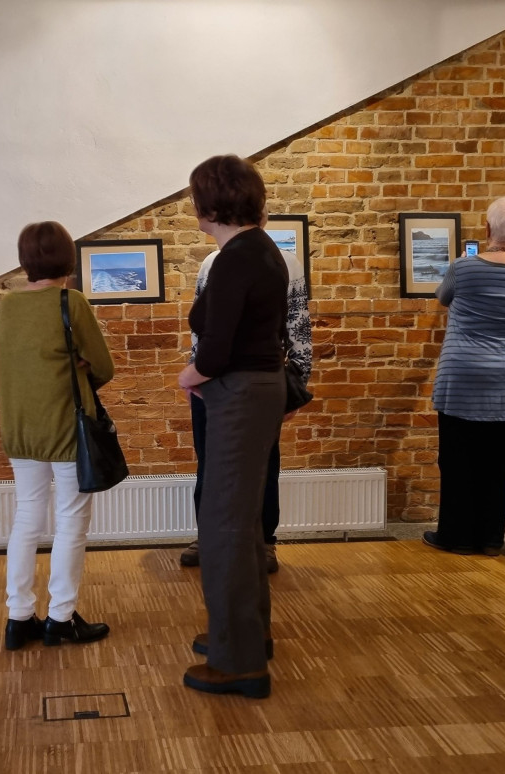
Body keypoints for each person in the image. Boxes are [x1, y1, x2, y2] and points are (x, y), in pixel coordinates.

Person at [177, 155, 288, 698]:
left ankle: (238, 662)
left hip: (240, 392)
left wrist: (188, 377)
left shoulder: (237, 258)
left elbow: (216, 349)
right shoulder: (258, 250)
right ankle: (246, 637)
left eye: (196, 197)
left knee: (221, 527)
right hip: (255, 390)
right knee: (239, 524)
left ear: (212, 204)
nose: (193, 207)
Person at [0, 221, 115, 650]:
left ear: (26, 259)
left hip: (20, 428)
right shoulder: (71, 301)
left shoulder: (8, 306)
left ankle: (18, 617)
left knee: (26, 518)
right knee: (71, 523)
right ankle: (61, 619)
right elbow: (103, 366)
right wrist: (81, 366)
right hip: (66, 428)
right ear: (67, 257)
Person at [180, 213, 312, 573]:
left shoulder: (285, 262)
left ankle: (264, 540)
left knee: (263, 465)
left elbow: (298, 325)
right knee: (208, 461)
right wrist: (196, 377)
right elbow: (203, 331)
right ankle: (209, 536)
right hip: (211, 382)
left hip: (254, 380)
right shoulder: (211, 262)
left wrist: (296, 383)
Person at [425, 196, 505, 556]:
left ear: (487, 228)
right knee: (497, 457)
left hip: (463, 372)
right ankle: (491, 538)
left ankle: (455, 535)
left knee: (457, 457)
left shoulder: (464, 266)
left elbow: (442, 297)